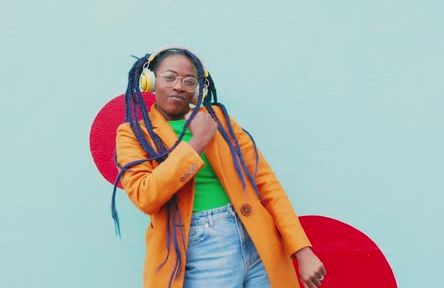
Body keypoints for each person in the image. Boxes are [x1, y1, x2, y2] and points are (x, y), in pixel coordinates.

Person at [112, 45, 326, 288]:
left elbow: (267, 184)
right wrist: (198, 142)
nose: (179, 86)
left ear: (197, 90)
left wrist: (301, 249)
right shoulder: (132, 135)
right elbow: (145, 196)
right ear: (148, 81)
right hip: (200, 249)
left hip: (258, 242)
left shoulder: (220, 120)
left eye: (189, 81)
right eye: (169, 77)